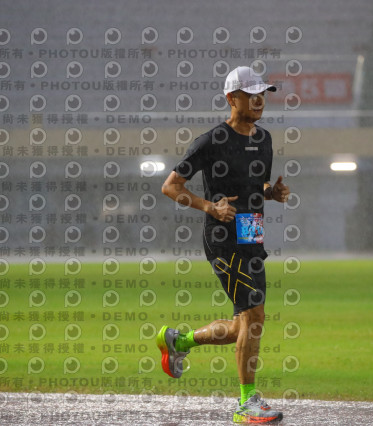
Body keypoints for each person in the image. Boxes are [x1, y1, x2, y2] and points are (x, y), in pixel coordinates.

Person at [157, 66, 290, 424]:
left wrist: (272, 193)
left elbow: (256, 186)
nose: (259, 100)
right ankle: (247, 403)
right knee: (255, 316)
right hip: (223, 239)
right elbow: (170, 186)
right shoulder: (211, 141)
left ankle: (179, 341)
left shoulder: (264, 139)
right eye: (251, 94)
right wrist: (209, 207)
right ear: (232, 98)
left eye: (262, 93)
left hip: (252, 234)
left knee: (240, 326)